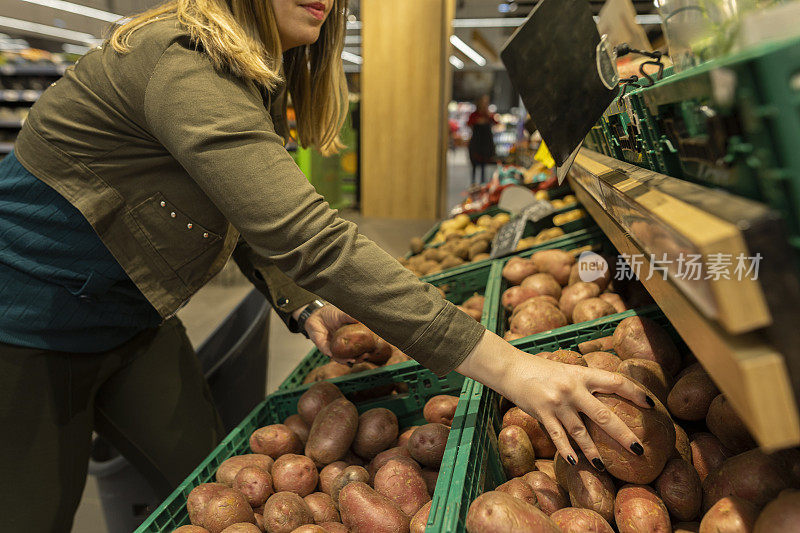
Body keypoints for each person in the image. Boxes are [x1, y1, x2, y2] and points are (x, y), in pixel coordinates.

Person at [0, 1, 652, 530]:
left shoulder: (250, 76)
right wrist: (511, 365)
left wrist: (302, 299)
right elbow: (314, 240)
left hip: (135, 314)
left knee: (216, 485)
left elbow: (244, 209)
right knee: (31, 512)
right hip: (28, 321)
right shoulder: (183, 62)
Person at [467, 94, 498, 185]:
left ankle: (483, 183)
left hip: (486, 143)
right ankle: (473, 182)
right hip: (477, 142)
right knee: (474, 163)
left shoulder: (488, 115)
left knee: (484, 165)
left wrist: (488, 116)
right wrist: (478, 121)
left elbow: (496, 122)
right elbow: (469, 123)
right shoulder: (474, 115)